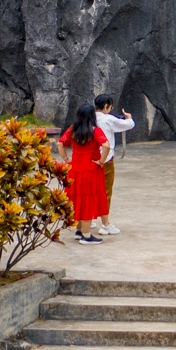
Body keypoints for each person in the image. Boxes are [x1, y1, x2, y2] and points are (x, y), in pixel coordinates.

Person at [53, 102, 111, 244]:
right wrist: (101, 161)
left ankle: (79, 230)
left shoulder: (72, 130)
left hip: (75, 170)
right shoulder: (95, 131)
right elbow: (106, 145)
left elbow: (60, 143)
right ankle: (86, 235)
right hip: (91, 170)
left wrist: (66, 159)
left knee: (78, 199)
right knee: (88, 200)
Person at [93, 93, 135, 236]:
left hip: (90, 159)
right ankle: (105, 225)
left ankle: (88, 218)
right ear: (106, 106)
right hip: (105, 160)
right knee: (105, 192)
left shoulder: (88, 118)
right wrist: (128, 118)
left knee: (90, 190)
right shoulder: (108, 119)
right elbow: (129, 125)